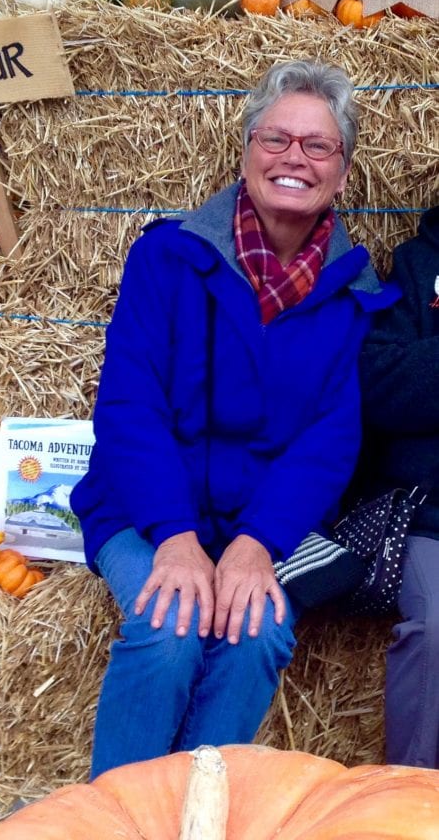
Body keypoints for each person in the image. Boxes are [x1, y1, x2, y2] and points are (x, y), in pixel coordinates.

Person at [70, 59, 396, 779]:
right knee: (168, 626)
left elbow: (328, 440)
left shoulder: (353, 293)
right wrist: (177, 539)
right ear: (246, 152)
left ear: (340, 175)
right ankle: (114, 816)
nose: (292, 158)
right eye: (274, 139)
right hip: (144, 510)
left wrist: (255, 545)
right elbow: (130, 405)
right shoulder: (169, 257)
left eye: (316, 147)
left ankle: (201, 814)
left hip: (259, 520)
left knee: (256, 630)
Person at [359, 205, 439, 768]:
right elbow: (375, 386)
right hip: (433, 517)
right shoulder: (418, 268)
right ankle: (408, 805)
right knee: (437, 629)